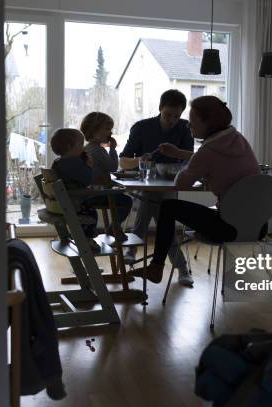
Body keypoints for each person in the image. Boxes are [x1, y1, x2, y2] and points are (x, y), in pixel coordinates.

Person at [130, 95, 260, 284]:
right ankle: (165, 266)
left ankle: (156, 266)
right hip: (258, 225)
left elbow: (181, 184)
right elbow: (210, 159)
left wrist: (180, 165)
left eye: (191, 122)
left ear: (207, 122)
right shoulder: (238, 139)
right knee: (165, 206)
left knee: (168, 207)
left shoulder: (207, 151)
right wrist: (180, 154)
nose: (188, 126)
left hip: (228, 228)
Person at [119, 89, 195, 286]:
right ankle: (182, 267)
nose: (172, 120)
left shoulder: (186, 128)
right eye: (168, 114)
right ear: (160, 108)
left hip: (170, 184)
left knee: (154, 206)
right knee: (160, 211)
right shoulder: (142, 127)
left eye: (177, 116)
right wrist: (139, 160)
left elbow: (190, 161)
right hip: (145, 185)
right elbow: (123, 162)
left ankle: (132, 249)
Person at [81, 112, 133, 242]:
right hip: (97, 194)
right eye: (107, 129)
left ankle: (114, 227)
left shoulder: (88, 148)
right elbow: (113, 167)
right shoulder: (98, 150)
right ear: (94, 130)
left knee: (120, 197)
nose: (110, 133)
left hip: (90, 193)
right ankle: (114, 227)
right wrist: (113, 149)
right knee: (126, 201)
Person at [49, 128, 100, 250]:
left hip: (64, 203)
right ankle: (85, 239)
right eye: (80, 144)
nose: (83, 148)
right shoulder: (73, 162)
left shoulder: (58, 162)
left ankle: (80, 237)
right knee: (92, 213)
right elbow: (88, 179)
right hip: (75, 203)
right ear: (69, 146)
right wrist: (88, 165)